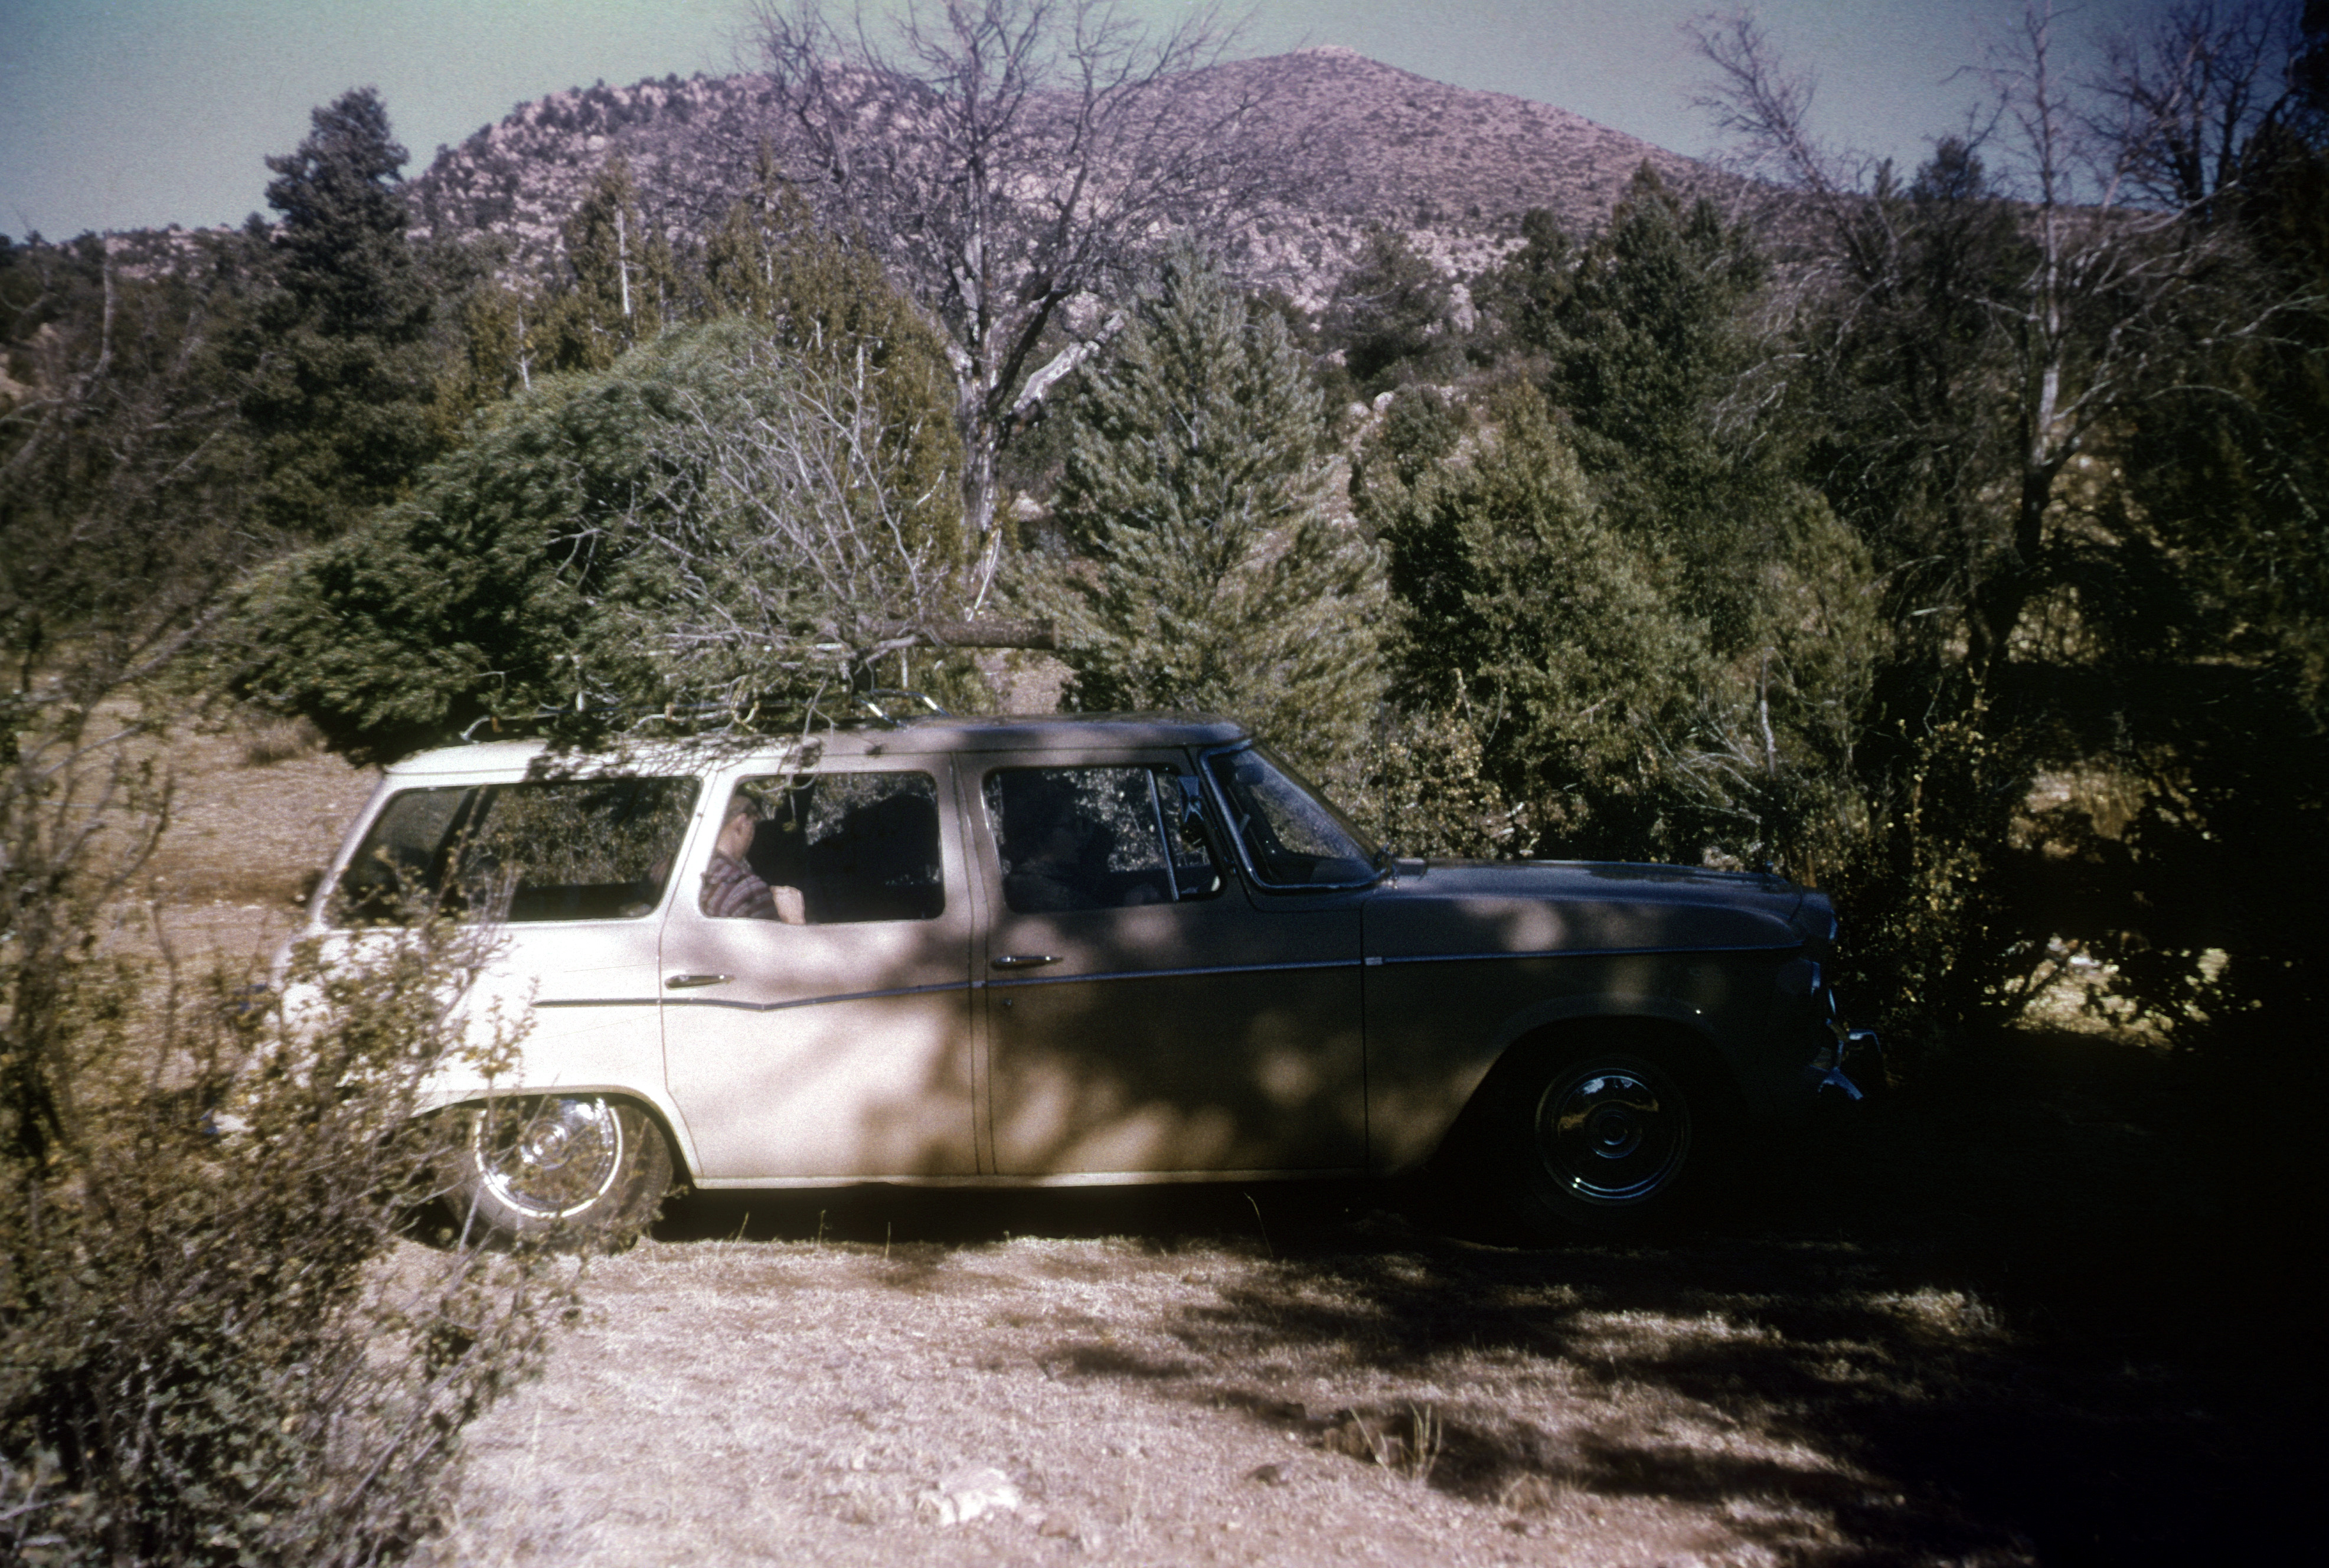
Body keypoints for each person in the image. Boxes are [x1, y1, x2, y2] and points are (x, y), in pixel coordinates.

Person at [701, 802, 806, 923]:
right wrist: (794, 918)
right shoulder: (747, 889)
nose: (751, 840)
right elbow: (776, 941)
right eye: (752, 829)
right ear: (740, 823)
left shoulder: (698, 873)